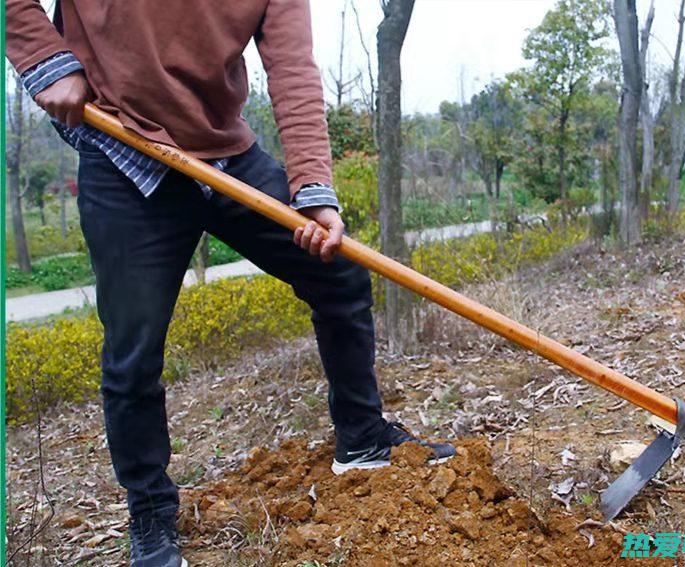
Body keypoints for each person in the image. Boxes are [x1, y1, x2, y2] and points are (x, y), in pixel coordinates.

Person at [6, 1, 455, 565]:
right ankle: (150, 513)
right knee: (133, 350)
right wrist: (45, 56)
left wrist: (313, 188)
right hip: (124, 146)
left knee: (336, 270)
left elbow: (292, 68)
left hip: (222, 152)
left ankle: (362, 439)